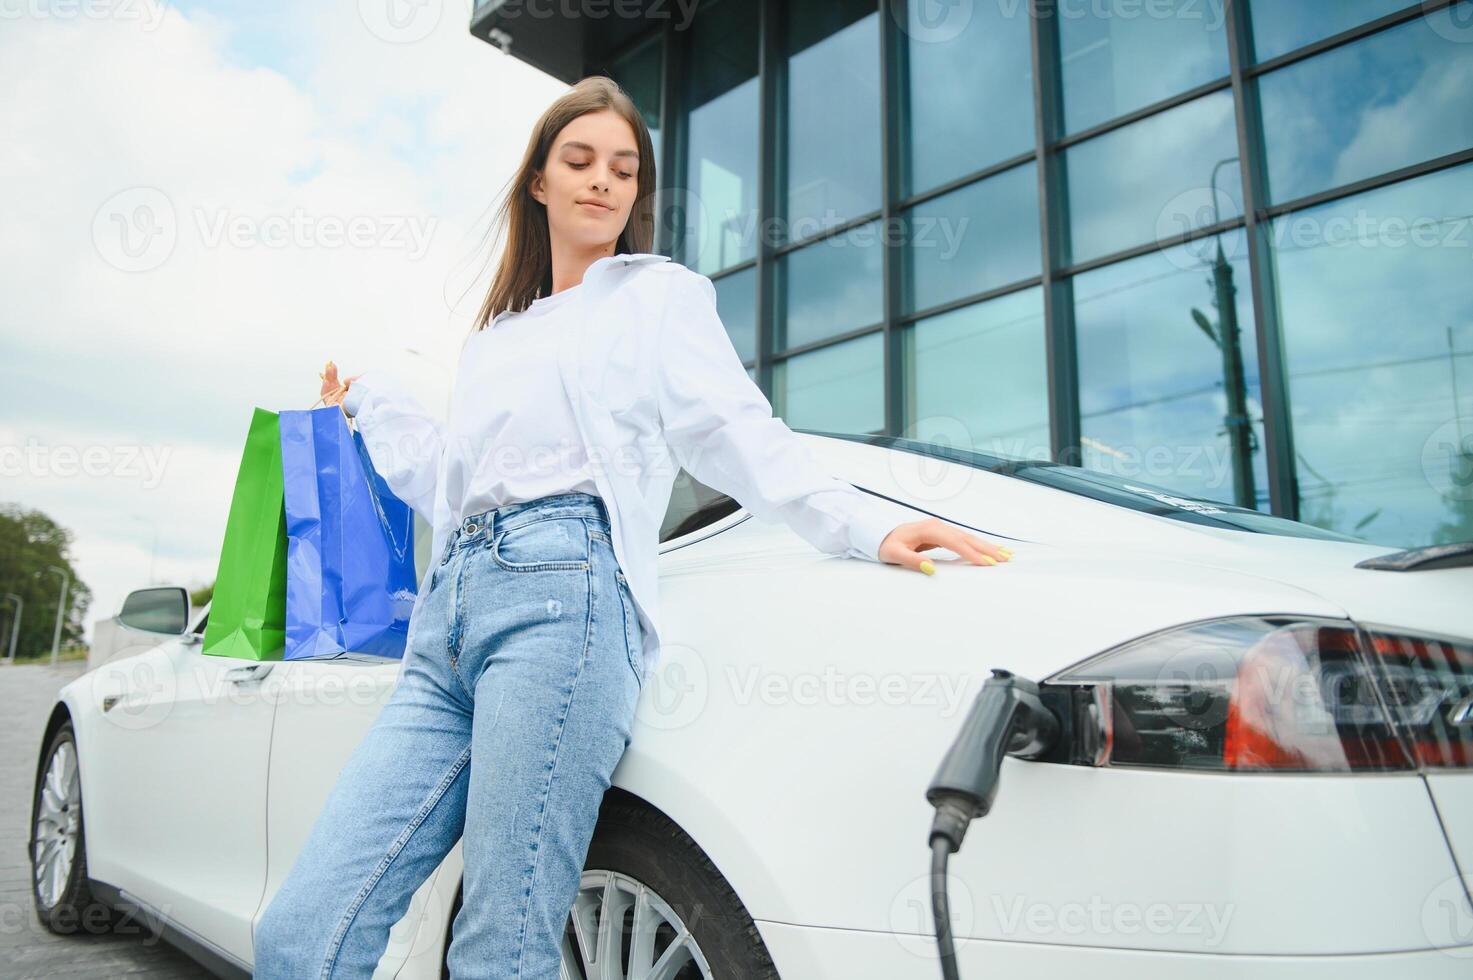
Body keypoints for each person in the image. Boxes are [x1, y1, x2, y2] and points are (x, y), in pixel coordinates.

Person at [253, 75, 1010, 980]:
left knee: (498, 947)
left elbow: (733, 431)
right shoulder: (496, 336)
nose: (603, 181)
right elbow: (447, 480)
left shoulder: (655, 298)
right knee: (300, 932)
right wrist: (365, 406)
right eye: (579, 161)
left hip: (561, 610)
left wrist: (863, 524)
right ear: (537, 180)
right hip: (447, 620)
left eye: (623, 168)